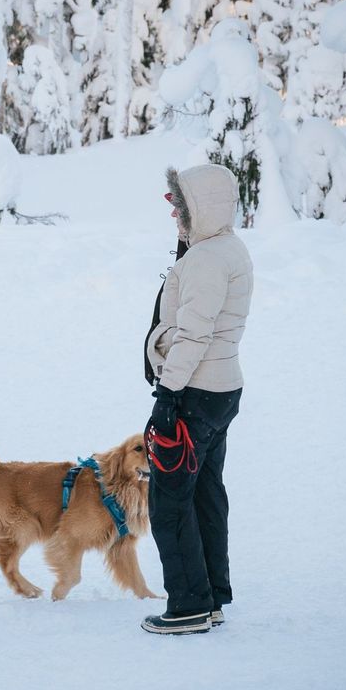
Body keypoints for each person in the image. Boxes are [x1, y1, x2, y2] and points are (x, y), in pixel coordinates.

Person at [141, 163, 253, 636]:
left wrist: (167, 395)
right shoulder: (224, 249)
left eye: (181, 207)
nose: (174, 215)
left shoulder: (207, 260)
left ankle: (188, 606)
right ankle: (211, 599)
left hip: (195, 391)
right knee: (206, 493)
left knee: (170, 500)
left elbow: (194, 334)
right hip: (220, 390)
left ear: (201, 208)